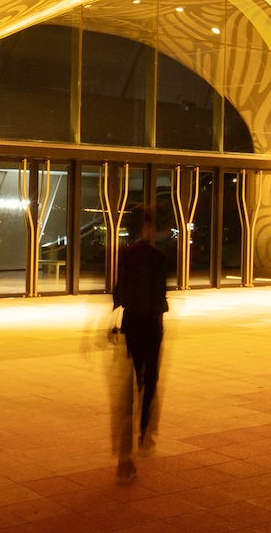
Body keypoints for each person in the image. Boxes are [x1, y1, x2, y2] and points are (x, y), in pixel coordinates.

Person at [110, 203, 169, 480]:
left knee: (132, 381)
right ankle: (145, 432)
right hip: (150, 326)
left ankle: (128, 451)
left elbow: (119, 291)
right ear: (150, 227)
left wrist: (114, 320)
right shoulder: (158, 257)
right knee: (151, 380)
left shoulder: (126, 254)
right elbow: (159, 296)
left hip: (131, 323)